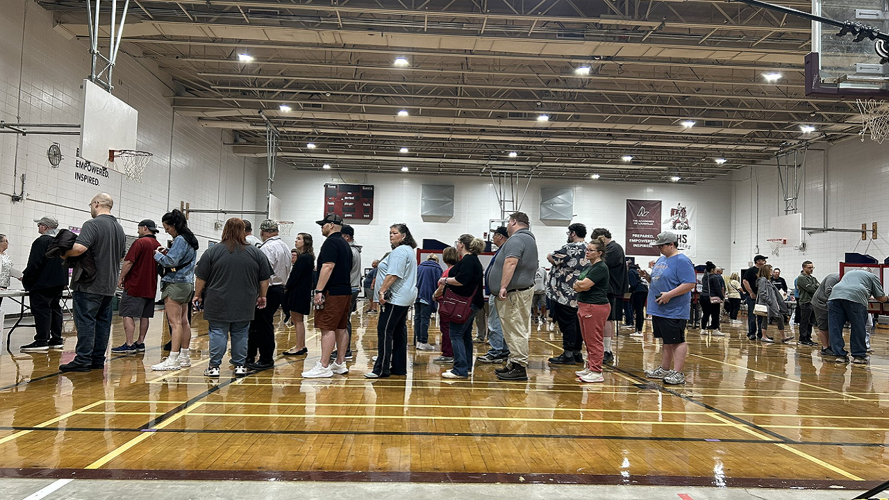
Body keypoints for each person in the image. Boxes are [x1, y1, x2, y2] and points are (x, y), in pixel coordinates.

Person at [194, 218, 271, 377]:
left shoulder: (212, 251)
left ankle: (214, 367)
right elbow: (264, 279)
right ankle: (240, 366)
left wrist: (197, 294)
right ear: (244, 231)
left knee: (217, 331)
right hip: (245, 300)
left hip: (217, 300)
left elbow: (201, 278)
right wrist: (262, 296)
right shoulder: (256, 253)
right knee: (241, 332)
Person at [59, 193, 126, 372]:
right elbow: (120, 256)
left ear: (96, 204)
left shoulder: (92, 224)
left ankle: (83, 359)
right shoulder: (119, 229)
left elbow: (80, 248)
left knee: (86, 321)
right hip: (109, 284)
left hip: (90, 283)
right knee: (103, 322)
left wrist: (64, 253)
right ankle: (97, 359)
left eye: (91, 205)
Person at [303, 214, 353, 378]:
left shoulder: (331, 242)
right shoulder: (345, 244)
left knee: (327, 327)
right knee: (341, 327)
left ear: (331, 225)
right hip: (345, 291)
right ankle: (339, 363)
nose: (321, 227)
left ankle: (324, 366)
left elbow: (327, 266)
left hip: (332, 291)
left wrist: (318, 290)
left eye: (323, 225)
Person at [490, 212, 538, 381]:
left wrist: (503, 286)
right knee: (515, 329)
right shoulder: (529, 239)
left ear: (514, 222)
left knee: (515, 329)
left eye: (509, 223)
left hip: (514, 293)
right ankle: (514, 363)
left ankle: (519, 366)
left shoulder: (517, 239)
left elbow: (511, 262)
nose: (507, 227)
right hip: (520, 291)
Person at [644, 231, 696, 385]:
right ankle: (665, 369)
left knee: (677, 340)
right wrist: (647, 277)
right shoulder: (662, 259)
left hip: (674, 309)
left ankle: (678, 373)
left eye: (661, 245)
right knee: (666, 340)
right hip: (659, 308)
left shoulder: (682, 261)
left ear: (671, 244)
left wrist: (669, 295)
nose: (659, 248)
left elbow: (689, 283)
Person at [367, 224, 418, 378]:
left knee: (384, 331)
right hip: (405, 297)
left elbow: (393, 274)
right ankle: (399, 367)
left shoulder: (400, 251)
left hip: (396, 298)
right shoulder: (408, 250)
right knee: (398, 331)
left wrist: (382, 291)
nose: (391, 235)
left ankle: (381, 369)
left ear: (403, 236)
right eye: (390, 232)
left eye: (395, 233)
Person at [151, 210, 199, 371]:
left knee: (175, 323)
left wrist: (157, 255)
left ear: (174, 225)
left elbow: (171, 261)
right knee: (184, 322)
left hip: (174, 284)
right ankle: (184, 356)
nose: (167, 231)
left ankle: (172, 358)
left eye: (167, 228)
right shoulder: (191, 240)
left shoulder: (180, 239)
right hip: (187, 284)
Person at [241, 220, 292, 371]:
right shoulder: (285, 247)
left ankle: (265, 358)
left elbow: (263, 273)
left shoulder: (267, 248)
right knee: (261, 324)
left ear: (262, 232)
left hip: (267, 289)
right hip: (279, 288)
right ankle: (252, 355)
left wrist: (259, 293)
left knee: (263, 326)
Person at [111, 220, 160, 354]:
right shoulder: (158, 245)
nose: (138, 231)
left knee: (127, 314)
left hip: (135, 285)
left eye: (139, 229)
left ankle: (129, 344)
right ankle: (140, 342)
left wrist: (121, 277)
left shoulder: (140, 243)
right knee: (145, 316)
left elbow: (128, 262)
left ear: (145, 228)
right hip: (150, 287)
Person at [440, 234, 485, 379]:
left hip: (465, 304)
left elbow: (461, 280)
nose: (456, 245)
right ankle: (466, 366)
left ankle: (460, 369)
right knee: (465, 335)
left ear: (462, 245)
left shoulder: (468, 260)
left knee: (456, 334)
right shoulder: (473, 260)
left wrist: (445, 280)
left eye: (457, 242)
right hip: (473, 303)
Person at [20, 217, 68, 352]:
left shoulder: (41, 241)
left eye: (39, 225)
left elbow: (34, 263)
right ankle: (56, 339)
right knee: (55, 309)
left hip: (42, 283)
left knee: (42, 311)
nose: (38, 227)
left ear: (45, 227)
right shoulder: (61, 243)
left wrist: (27, 279)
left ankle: (41, 340)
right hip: (58, 283)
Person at [546, 222, 587, 365]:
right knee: (577, 324)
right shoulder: (588, 248)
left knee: (567, 324)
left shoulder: (569, 248)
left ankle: (568, 354)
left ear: (573, 233)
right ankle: (577, 353)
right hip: (580, 292)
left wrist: (552, 259)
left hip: (564, 293)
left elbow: (551, 257)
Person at [828, 269, 888, 364]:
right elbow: (880, 298)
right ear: (870, 272)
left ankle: (839, 355)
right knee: (858, 327)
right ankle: (858, 356)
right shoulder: (872, 276)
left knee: (835, 328)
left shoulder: (849, 273)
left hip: (835, 296)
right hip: (855, 298)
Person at [573, 236, 611, 383]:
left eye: (591, 250)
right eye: (587, 250)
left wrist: (579, 284)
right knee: (588, 340)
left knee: (594, 340)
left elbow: (582, 285)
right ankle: (590, 366)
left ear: (599, 252)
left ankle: (596, 371)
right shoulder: (591, 267)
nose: (587, 252)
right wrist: (579, 284)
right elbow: (579, 284)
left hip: (594, 306)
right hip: (585, 305)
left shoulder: (601, 268)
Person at [591, 228, 627, 365]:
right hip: (610, 288)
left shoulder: (614, 248)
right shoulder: (614, 248)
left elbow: (599, 264)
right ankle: (605, 349)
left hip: (612, 289)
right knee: (606, 319)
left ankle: (607, 350)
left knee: (607, 319)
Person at [476, 227, 511, 364]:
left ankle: (496, 351)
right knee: (499, 323)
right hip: (496, 292)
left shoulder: (505, 251)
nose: (492, 239)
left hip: (498, 294)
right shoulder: (502, 251)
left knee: (495, 323)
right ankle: (502, 350)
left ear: (500, 236)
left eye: (494, 236)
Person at [283, 233, 314, 356]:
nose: (296, 241)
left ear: (305, 242)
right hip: (301, 291)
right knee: (297, 320)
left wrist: (287, 287)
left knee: (297, 320)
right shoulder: (307, 257)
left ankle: (299, 346)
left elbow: (295, 276)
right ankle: (301, 345)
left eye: (299, 239)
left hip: (298, 291)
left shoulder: (304, 257)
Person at [334, 224, 362, 360]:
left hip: (349, 288)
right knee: (344, 320)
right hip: (353, 287)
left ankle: (345, 350)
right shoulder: (354, 250)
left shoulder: (350, 251)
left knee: (343, 320)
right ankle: (344, 349)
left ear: (346, 236)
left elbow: (344, 271)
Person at [432, 247, 460, 364]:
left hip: (446, 303)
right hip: (452, 303)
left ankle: (448, 353)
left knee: (446, 329)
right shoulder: (456, 269)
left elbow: (442, 287)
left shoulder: (448, 272)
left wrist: (435, 295)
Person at [756, 264, 792, 343]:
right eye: (770, 270)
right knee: (766, 319)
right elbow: (762, 293)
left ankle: (783, 336)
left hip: (771, 304)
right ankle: (764, 336)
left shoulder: (767, 280)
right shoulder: (762, 280)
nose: (772, 272)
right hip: (767, 304)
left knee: (779, 318)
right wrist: (769, 301)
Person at [415, 254, 443, 351]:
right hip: (427, 296)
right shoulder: (437, 269)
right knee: (425, 320)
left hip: (417, 296)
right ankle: (423, 341)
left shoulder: (419, 267)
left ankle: (418, 341)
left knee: (417, 319)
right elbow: (439, 284)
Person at [811, 272, 839, 355]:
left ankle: (830, 346)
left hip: (829, 304)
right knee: (823, 326)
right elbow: (828, 292)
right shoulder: (833, 278)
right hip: (820, 303)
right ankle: (825, 347)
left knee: (830, 326)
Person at [743, 255, 768, 340]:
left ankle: (761, 334)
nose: (765, 261)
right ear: (757, 261)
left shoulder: (764, 271)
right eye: (763, 260)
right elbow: (745, 281)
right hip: (753, 297)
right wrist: (751, 292)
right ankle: (751, 333)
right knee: (752, 315)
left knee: (762, 315)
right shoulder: (751, 271)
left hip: (762, 297)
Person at [796, 261, 820, 346]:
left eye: (812, 267)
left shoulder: (812, 278)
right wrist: (815, 286)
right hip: (805, 302)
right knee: (804, 321)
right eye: (809, 268)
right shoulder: (801, 278)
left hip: (812, 302)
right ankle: (802, 338)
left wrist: (815, 286)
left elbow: (819, 287)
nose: (811, 269)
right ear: (804, 268)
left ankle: (808, 337)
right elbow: (811, 289)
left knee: (811, 321)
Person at [699, 261, 725, 336]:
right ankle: (715, 329)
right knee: (715, 314)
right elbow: (717, 288)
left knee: (705, 314)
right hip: (712, 297)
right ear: (712, 269)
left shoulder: (704, 277)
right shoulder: (714, 277)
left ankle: (703, 329)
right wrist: (722, 297)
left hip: (703, 297)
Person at [627, 263, 648, 337]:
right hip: (644, 291)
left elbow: (633, 284)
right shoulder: (637, 271)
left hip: (638, 292)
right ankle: (639, 330)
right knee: (640, 311)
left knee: (638, 311)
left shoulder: (630, 272)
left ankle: (639, 331)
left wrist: (628, 291)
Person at [0, 234, 13, 309]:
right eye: (6, 241)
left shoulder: (5, 255)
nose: (7, 243)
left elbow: (8, 268)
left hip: (3, 285)